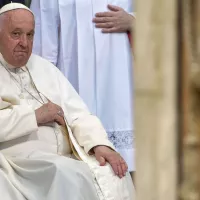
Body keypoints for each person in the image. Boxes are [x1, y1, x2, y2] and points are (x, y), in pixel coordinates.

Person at [0, 3, 135, 200]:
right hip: (20, 163)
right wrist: (34, 116)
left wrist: (99, 144)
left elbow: (79, 113)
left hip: (64, 156)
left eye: (30, 35)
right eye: (16, 34)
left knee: (113, 172)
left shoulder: (44, 68)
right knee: (65, 172)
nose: (24, 43)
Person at [30, 0, 135, 172]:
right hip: (72, 78)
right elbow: (42, 32)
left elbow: (166, 15)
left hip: (122, 76)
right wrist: (43, 86)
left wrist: (133, 22)